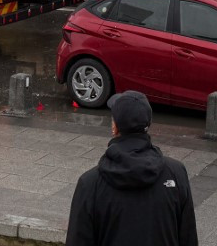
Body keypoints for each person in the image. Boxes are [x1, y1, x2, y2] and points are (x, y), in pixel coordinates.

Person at [66, 91, 197, 246]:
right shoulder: (176, 173)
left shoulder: (90, 184)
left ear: (115, 128)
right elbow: (188, 238)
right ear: (147, 125)